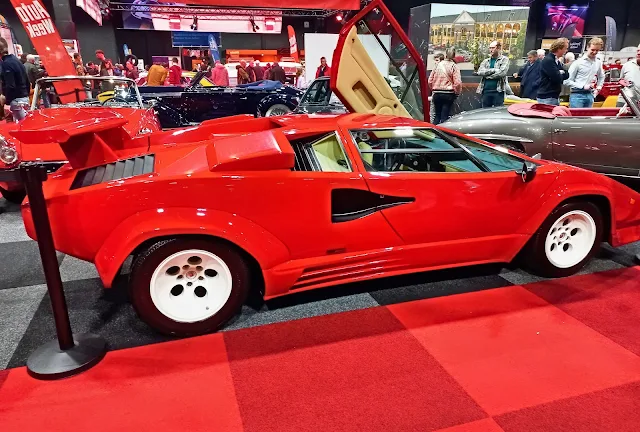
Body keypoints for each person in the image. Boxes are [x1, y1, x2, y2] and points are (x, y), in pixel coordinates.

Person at [564, 37, 605, 108]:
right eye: (592, 50)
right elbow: (566, 81)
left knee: (587, 118)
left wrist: (599, 87)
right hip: (577, 95)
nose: (594, 52)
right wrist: (582, 86)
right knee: (576, 118)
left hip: (590, 95)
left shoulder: (598, 62)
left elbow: (601, 76)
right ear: (587, 47)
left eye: (597, 50)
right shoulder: (577, 63)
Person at [428, 47, 461, 124]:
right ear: (454, 55)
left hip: (436, 94)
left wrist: (433, 89)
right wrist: (457, 92)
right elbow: (458, 83)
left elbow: (430, 80)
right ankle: (443, 134)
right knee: (444, 117)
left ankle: (434, 133)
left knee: (437, 116)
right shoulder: (454, 66)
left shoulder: (438, 65)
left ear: (446, 54)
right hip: (448, 94)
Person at [0, 37, 30, 121]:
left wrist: (7, 101)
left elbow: (11, 85)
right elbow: (27, 80)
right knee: (26, 124)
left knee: (23, 125)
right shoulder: (17, 61)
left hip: (16, 100)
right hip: (24, 98)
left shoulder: (6, 64)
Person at [476, 40, 510, 108]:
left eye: (493, 48)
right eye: (490, 48)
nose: (491, 50)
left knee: (497, 113)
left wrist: (487, 76)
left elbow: (501, 73)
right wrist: (494, 70)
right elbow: (480, 72)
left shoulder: (504, 59)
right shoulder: (486, 61)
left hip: (498, 91)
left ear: (498, 48)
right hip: (485, 90)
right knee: (485, 112)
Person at [537, 38, 568, 105]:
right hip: (547, 96)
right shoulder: (549, 60)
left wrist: (560, 73)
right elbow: (557, 78)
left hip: (553, 96)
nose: (566, 51)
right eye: (565, 48)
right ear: (559, 49)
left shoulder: (556, 61)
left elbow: (567, 75)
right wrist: (560, 72)